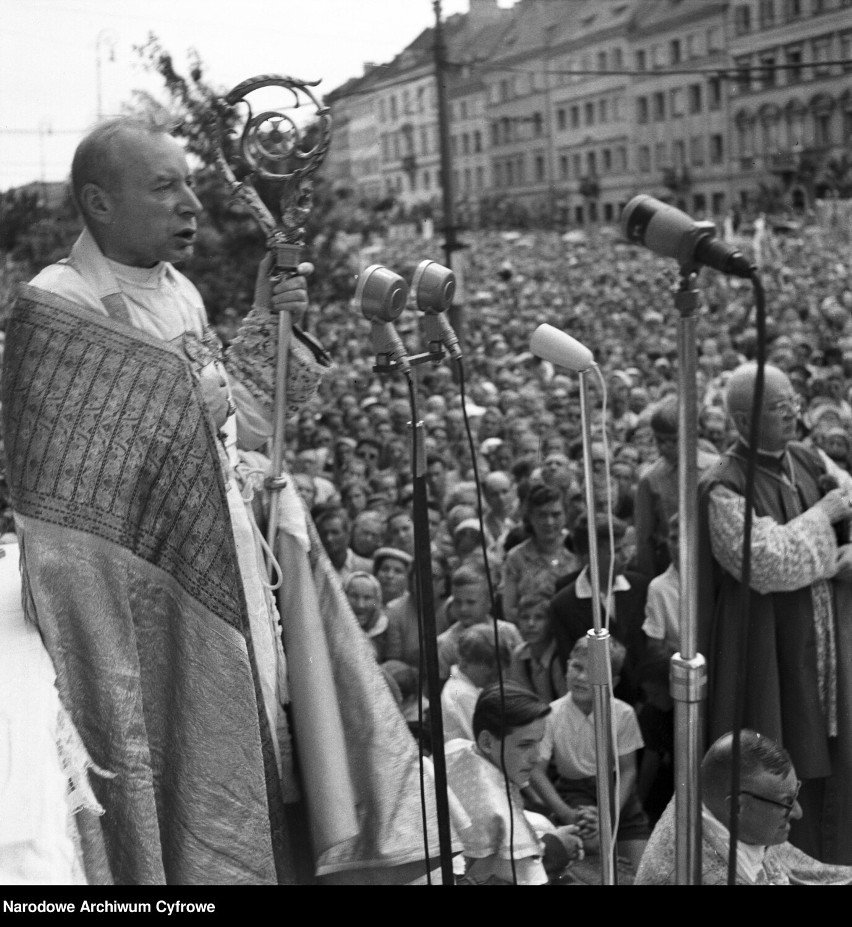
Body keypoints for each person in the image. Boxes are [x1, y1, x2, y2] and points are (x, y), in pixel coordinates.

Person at [1, 115, 451, 885]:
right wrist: (192, 406)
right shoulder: (54, 308)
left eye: (190, 184)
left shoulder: (181, 293)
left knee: (255, 744)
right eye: (166, 186)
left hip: (230, 561)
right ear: (99, 203)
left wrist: (269, 320)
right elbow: (61, 476)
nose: (192, 204)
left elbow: (233, 423)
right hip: (129, 593)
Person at [697, 362, 852, 864]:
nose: (794, 414)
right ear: (743, 420)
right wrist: (826, 516)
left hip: (826, 645)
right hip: (767, 652)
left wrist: (839, 555)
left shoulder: (808, 459)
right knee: (775, 774)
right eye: (780, 407)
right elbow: (765, 562)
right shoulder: (723, 483)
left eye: (793, 403)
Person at [635, 730, 852, 885]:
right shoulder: (696, 871)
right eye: (786, 802)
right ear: (737, 806)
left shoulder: (719, 809)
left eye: (795, 794)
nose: (798, 812)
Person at [445, 682, 585, 885]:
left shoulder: (459, 749)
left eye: (539, 742)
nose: (536, 757)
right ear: (487, 742)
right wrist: (556, 846)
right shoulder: (491, 806)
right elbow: (494, 876)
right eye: (525, 745)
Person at [529, 637, 650, 871]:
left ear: (612, 681)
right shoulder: (551, 714)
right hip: (575, 794)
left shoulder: (623, 714)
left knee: (641, 867)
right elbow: (537, 771)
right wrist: (566, 813)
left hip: (618, 797)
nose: (581, 677)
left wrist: (609, 812)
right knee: (596, 853)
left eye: (592, 671)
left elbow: (628, 771)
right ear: (566, 666)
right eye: (576, 667)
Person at [549, 513, 648, 706]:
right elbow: (571, 667)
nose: (625, 556)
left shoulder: (640, 586)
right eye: (616, 550)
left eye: (625, 547)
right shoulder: (564, 605)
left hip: (644, 705)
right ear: (589, 556)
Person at [634, 394, 718, 578]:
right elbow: (644, 539)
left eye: (673, 440)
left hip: (714, 556)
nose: (665, 447)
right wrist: (648, 578)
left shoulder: (716, 467)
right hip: (672, 562)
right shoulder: (650, 478)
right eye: (660, 440)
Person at [498, 482, 578, 625]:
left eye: (556, 514)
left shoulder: (577, 550)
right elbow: (509, 611)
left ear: (565, 515)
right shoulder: (516, 558)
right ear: (530, 517)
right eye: (542, 515)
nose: (549, 521)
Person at [437, 563, 523, 681]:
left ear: (489, 601)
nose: (463, 609)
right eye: (458, 602)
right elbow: (446, 682)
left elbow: (522, 673)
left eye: (471, 602)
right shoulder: (446, 642)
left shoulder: (508, 632)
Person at [441, 623, 512, 742]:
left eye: (497, 671)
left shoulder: (469, 686)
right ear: (465, 662)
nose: (494, 676)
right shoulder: (461, 693)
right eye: (489, 668)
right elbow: (485, 740)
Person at [509, 590, 567, 704]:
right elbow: (521, 701)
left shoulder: (559, 655)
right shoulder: (519, 655)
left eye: (539, 617)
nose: (531, 624)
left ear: (551, 622)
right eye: (525, 617)